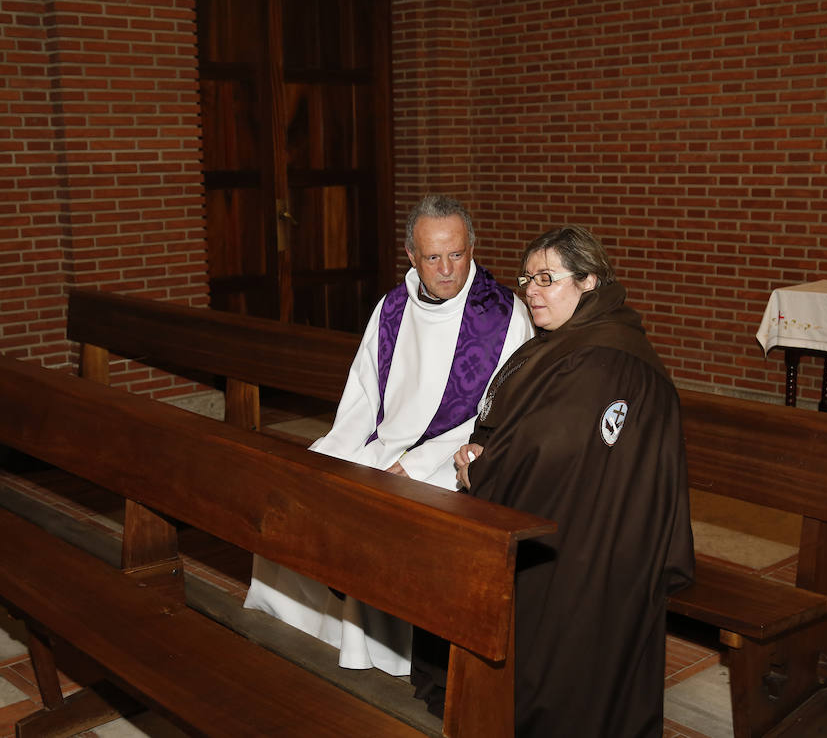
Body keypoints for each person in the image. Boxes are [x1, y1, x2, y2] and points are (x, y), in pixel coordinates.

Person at [243, 194, 534, 677]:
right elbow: (364, 391)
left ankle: (375, 654)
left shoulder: (504, 316)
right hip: (385, 446)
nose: (446, 270)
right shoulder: (393, 306)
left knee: (377, 515)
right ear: (412, 256)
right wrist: (333, 453)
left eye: (457, 254)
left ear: (473, 247)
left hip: (451, 461)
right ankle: (301, 627)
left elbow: (494, 414)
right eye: (433, 257)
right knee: (300, 487)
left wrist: (416, 465)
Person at [451, 225, 695, 737]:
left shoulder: (603, 357)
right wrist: (485, 447)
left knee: (566, 661)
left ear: (589, 282)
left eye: (547, 278)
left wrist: (483, 469)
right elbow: (530, 428)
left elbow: (552, 449)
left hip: (596, 542)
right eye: (527, 278)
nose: (531, 290)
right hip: (585, 523)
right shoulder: (572, 342)